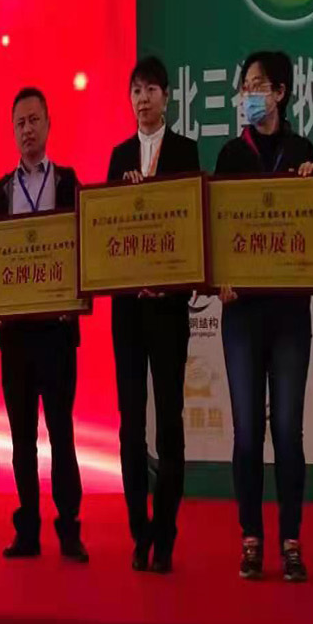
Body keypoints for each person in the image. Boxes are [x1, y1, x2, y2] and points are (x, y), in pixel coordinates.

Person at [214, 50, 313, 582]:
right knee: (246, 432)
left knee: (288, 432)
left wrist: (312, 183)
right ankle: (251, 538)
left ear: (280, 93)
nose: (249, 95)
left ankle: (292, 541)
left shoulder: (303, 151)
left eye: (258, 85)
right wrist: (219, 277)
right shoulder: (231, 154)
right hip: (242, 315)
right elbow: (215, 228)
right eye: (244, 86)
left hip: (289, 315)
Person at [106, 57, 200, 573]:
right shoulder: (118, 155)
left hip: (167, 311)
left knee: (169, 422)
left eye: (150, 90)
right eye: (135, 91)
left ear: (167, 96)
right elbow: (106, 230)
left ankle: (166, 532)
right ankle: (138, 531)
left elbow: (191, 225)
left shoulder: (185, 151)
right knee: (129, 424)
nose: (142, 99)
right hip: (127, 312)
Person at [0, 88, 87, 562]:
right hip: (17, 337)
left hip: (57, 333)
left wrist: (76, 297)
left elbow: (84, 249)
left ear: (48, 124)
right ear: (12, 131)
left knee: (61, 433)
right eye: (20, 123)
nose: (27, 130)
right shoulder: (1, 191)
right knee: (22, 437)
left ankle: (69, 528)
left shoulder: (68, 183)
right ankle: (27, 527)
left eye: (34, 120)